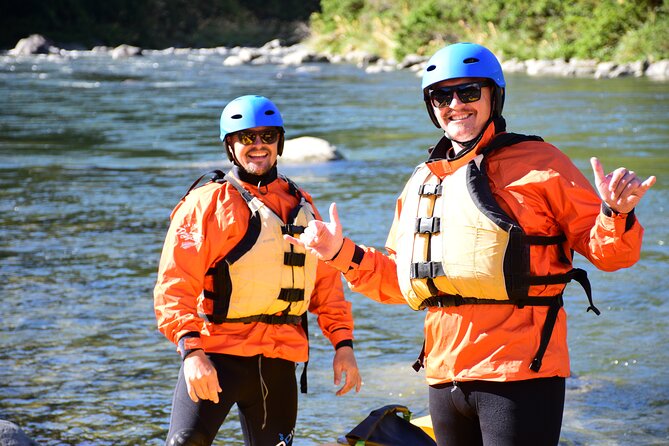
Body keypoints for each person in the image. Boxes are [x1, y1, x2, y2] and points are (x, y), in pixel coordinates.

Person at [285, 43, 656, 446]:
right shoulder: (422, 182)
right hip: (444, 375)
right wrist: (338, 251)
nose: (455, 104)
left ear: (493, 96)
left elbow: (612, 255)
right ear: (432, 106)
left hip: (519, 373)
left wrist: (615, 213)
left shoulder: (541, 163)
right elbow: (399, 282)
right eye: (442, 96)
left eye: (469, 92)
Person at [154, 94, 362, 446]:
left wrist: (343, 344)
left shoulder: (302, 204)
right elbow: (175, 286)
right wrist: (191, 352)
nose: (258, 146)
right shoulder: (206, 204)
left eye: (267, 136)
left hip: (279, 362)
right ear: (230, 145)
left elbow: (326, 285)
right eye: (247, 137)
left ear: (279, 142)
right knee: (185, 442)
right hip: (218, 356)